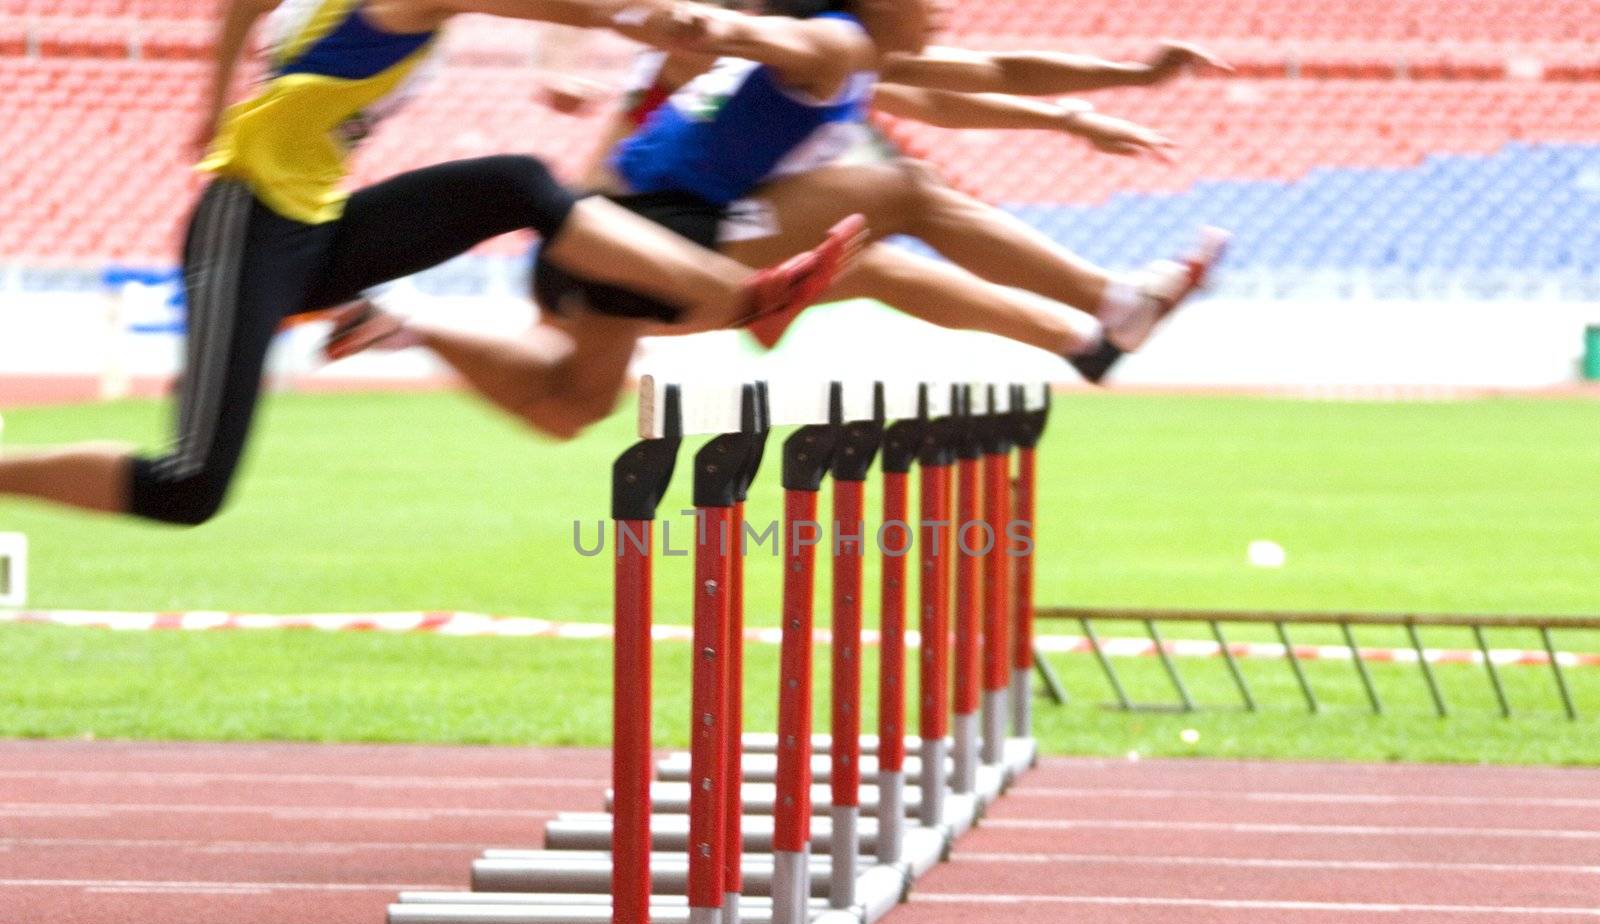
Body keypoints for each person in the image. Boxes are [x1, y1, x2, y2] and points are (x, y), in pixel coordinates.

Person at [0, 0, 862, 524]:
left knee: (516, 184)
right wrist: (638, 18)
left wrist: (215, 95)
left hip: (317, 226)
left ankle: (750, 298)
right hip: (249, 223)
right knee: (189, 486)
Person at [335, 1, 1227, 431]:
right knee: (898, 198)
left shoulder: (867, 59)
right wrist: (712, 27)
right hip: (652, 231)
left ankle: (402, 324)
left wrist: (1128, 79)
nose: (946, 12)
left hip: (610, 243)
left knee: (570, 402)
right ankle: (1106, 304)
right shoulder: (837, 42)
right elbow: (776, 40)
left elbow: (996, 77)